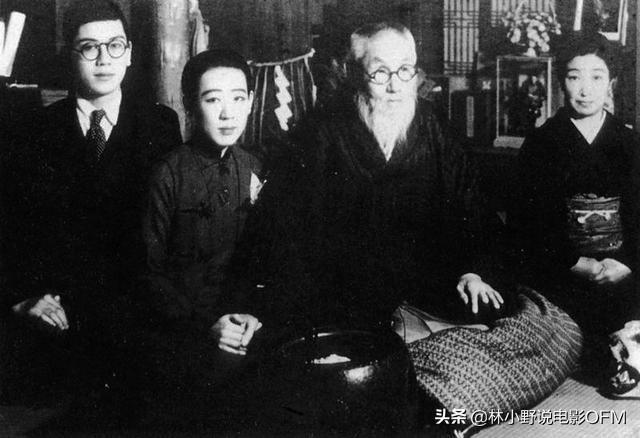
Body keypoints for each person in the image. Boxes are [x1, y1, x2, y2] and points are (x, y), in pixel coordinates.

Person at [1, 0, 181, 412]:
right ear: (71, 55)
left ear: (129, 53)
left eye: (115, 45)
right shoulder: (32, 130)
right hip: (58, 319)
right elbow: (8, 227)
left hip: (137, 319)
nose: (104, 59)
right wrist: (20, 298)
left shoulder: (160, 124)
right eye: (89, 48)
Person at [138, 49, 265, 425]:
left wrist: (253, 315)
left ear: (251, 102)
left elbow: (262, 259)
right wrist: (205, 325)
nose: (228, 114)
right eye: (212, 100)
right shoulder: (167, 173)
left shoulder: (254, 167)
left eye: (238, 99)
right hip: (182, 335)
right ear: (190, 105)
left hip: (243, 330)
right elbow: (147, 272)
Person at [512, 31, 640, 339]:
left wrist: (627, 264)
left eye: (596, 77)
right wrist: (575, 263)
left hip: (625, 274)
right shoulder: (541, 144)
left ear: (611, 83)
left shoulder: (630, 142)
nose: (585, 90)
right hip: (560, 276)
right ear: (560, 81)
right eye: (574, 77)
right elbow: (527, 225)